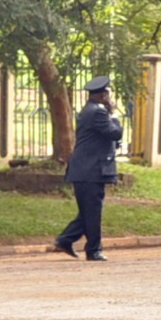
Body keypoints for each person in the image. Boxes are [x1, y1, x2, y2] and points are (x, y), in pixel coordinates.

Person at [56, 74, 124, 262]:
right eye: (107, 95)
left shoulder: (89, 110)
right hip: (90, 170)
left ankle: (65, 240)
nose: (109, 98)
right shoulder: (98, 113)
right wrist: (114, 115)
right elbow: (115, 133)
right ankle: (93, 250)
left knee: (88, 212)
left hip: (85, 169)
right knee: (92, 212)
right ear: (102, 96)